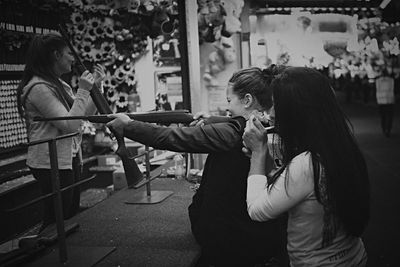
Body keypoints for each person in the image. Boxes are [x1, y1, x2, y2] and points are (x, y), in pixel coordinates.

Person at [107, 66, 287, 266]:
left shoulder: (233, 132)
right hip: (251, 232)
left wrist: (128, 125)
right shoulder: (263, 127)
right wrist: (213, 120)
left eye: (230, 101)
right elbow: (235, 122)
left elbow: (171, 138)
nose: (228, 107)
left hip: (231, 238)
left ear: (247, 100)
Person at [243, 67, 370, 266]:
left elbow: (257, 210)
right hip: (354, 256)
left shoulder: (306, 164)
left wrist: (258, 154)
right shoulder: (339, 146)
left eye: (275, 105)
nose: (269, 114)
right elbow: (298, 189)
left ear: (296, 110)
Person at [16, 33, 105, 232]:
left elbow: (84, 115)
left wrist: (96, 87)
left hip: (66, 157)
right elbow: (70, 124)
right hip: (50, 161)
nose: (73, 59)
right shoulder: (39, 87)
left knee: (68, 214)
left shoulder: (58, 83)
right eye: (68, 53)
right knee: (56, 219)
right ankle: (48, 255)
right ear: (56, 55)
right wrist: (83, 90)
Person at [375, 69, 395, 137]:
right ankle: (388, 130)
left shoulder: (378, 81)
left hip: (381, 101)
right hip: (390, 101)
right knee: (389, 116)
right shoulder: (391, 80)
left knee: (383, 117)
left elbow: (376, 90)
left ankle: (384, 129)